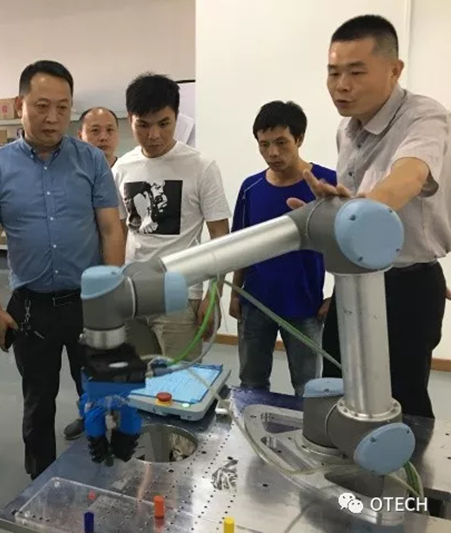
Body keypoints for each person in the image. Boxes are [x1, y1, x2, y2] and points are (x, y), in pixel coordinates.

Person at [289, 15, 451, 418]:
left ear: (395, 70)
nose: (341, 85)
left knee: (402, 400)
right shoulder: (347, 129)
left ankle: (411, 462)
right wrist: (333, 209)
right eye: (333, 73)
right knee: (337, 384)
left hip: (407, 285)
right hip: (353, 279)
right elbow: (354, 198)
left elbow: (410, 175)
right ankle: (340, 458)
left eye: (356, 72)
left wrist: (359, 213)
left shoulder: (424, 117)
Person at [0, 60, 125, 480]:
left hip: (88, 302)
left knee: (99, 393)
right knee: (38, 401)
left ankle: (104, 474)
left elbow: (111, 228)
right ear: (20, 104)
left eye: (62, 107)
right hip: (31, 308)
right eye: (42, 106)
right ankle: (40, 483)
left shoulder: (91, 161)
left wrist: (111, 295)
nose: (53, 117)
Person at [113, 73, 230, 361]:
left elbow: (220, 235)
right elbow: (119, 232)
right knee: (140, 377)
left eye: (163, 124)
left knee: (182, 381)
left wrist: (213, 295)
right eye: (143, 125)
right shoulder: (122, 168)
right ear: (130, 119)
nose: (154, 135)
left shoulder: (201, 167)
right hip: (133, 292)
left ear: (177, 117)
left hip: (180, 295)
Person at [230, 101, 336, 397]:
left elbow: (349, 246)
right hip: (256, 302)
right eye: (264, 145)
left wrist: (338, 296)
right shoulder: (251, 188)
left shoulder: (327, 184)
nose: (272, 153)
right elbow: (241, 244)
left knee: (308, 388)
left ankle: (308, 429)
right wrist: (235, 292)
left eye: (281, 143)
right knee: (251, 384)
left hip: (305, 304)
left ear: (299, 139)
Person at [56, 105, 122, 442]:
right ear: (80, 135)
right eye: (94, 130)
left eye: (109, 130)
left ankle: (119, 418)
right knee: (86, 362)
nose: (103, 137)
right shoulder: (71, 174)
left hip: (118, 283)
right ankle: (90, 415)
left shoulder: (126, 171)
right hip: (81, 287)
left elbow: (121, 231)